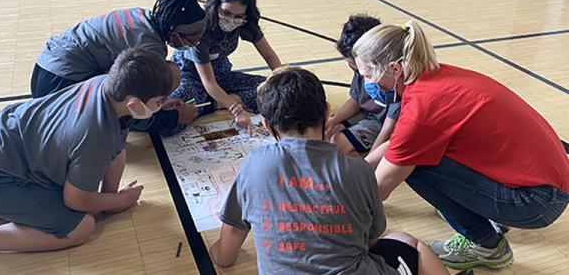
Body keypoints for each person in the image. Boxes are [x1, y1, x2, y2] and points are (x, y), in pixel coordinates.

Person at [352, 20, 569, 270]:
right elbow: (396, 145)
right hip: (547, 183)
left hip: (537, 201)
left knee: (417, 166)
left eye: (367, 74)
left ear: (393, 69)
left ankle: (487, 246)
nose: (366, 83)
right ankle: (486, 213)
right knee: (413, 155)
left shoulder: (422, 109)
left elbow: (379, 188)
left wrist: (329, 211)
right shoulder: (435, 77)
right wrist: (350, 170)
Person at [210, 66, 449, 275]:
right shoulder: (358, 170)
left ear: (267, 126)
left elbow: (225, 257)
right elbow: (371, 240)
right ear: (326, 112)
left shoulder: (254, 166)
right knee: (407, 242)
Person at [0, 48, 178, 254]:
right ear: (133, 103)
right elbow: (76, 200)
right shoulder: (95, 136)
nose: (160, 106)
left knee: (75, 195)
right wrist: (121, 200)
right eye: (158, 102)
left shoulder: (106, 87)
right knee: (81, 227)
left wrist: (109, 199)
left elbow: (117, 149)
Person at [31, 0, 207, 134]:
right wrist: (173, 118)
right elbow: (130, 102)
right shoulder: (150, 48)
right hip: (60, 87)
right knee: (170, 73)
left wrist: (159, 103)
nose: (195, 42)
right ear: (173, 31)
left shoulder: (143, 16)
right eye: (191, 36)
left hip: (44, 69)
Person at [169, 0, 281, 134]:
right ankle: (216, 101)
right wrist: (237, 110)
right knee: (174, 116)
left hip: (220, 74)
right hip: (191, 76)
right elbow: (208, 82)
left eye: (238, 16)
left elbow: (270, 56)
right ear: (216, 5)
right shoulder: (201, 29)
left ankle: (212, 104)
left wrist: (284, 80)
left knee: (269, 91)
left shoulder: (245, 23)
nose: (231, 20)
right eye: (226, 12)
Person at [326, 14, 400, 160]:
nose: (357, 71)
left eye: (356, 65)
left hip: (384, 123)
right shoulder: (363, 67)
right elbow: (356, 100)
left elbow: (389, 127)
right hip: (368, 115)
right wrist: (332, 121)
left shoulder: (395, 83)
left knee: (338, 144)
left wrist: (372, 159)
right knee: (328, 133)